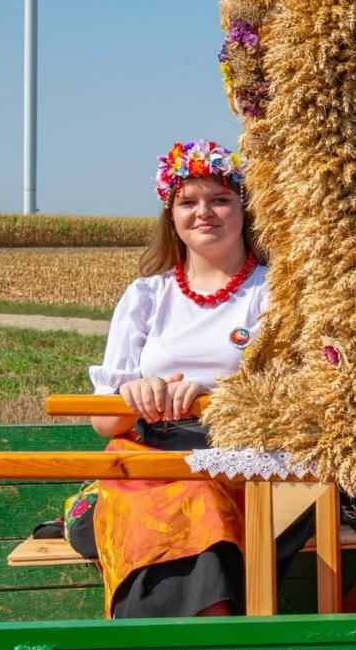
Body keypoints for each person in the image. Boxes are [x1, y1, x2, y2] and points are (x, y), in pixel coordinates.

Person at [83, 140, 273, 618]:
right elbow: (104, 424)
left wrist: (216, 395)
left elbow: (294, 389)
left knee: (199, 500)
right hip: (149, 459)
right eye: (188, 202)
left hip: (243, 459)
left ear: (244, 210)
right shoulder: (146, 296)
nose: (203, 212)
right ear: (172, 216)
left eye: (220, 200)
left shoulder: (274, 291)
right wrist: (132, 394)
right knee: (171, 501)